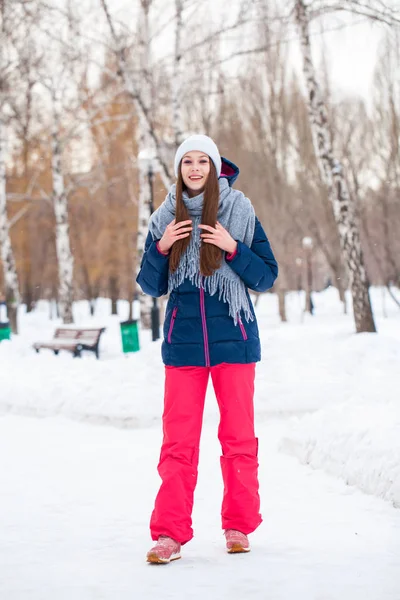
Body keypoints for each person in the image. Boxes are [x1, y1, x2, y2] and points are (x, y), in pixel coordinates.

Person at [136, 134, 278, 564]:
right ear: (179, 169)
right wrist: (161, 249)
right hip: (183, 347)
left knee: (237, 438)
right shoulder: (165, 218)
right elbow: (149, 285)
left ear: (216, 168)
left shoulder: (240, 211)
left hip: (234, 340)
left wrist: (233, 248)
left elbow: (266, 276)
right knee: (177, 443)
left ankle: (238, 526)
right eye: (187, 162)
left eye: (203, 161)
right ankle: (169, 534)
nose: (195, 168)